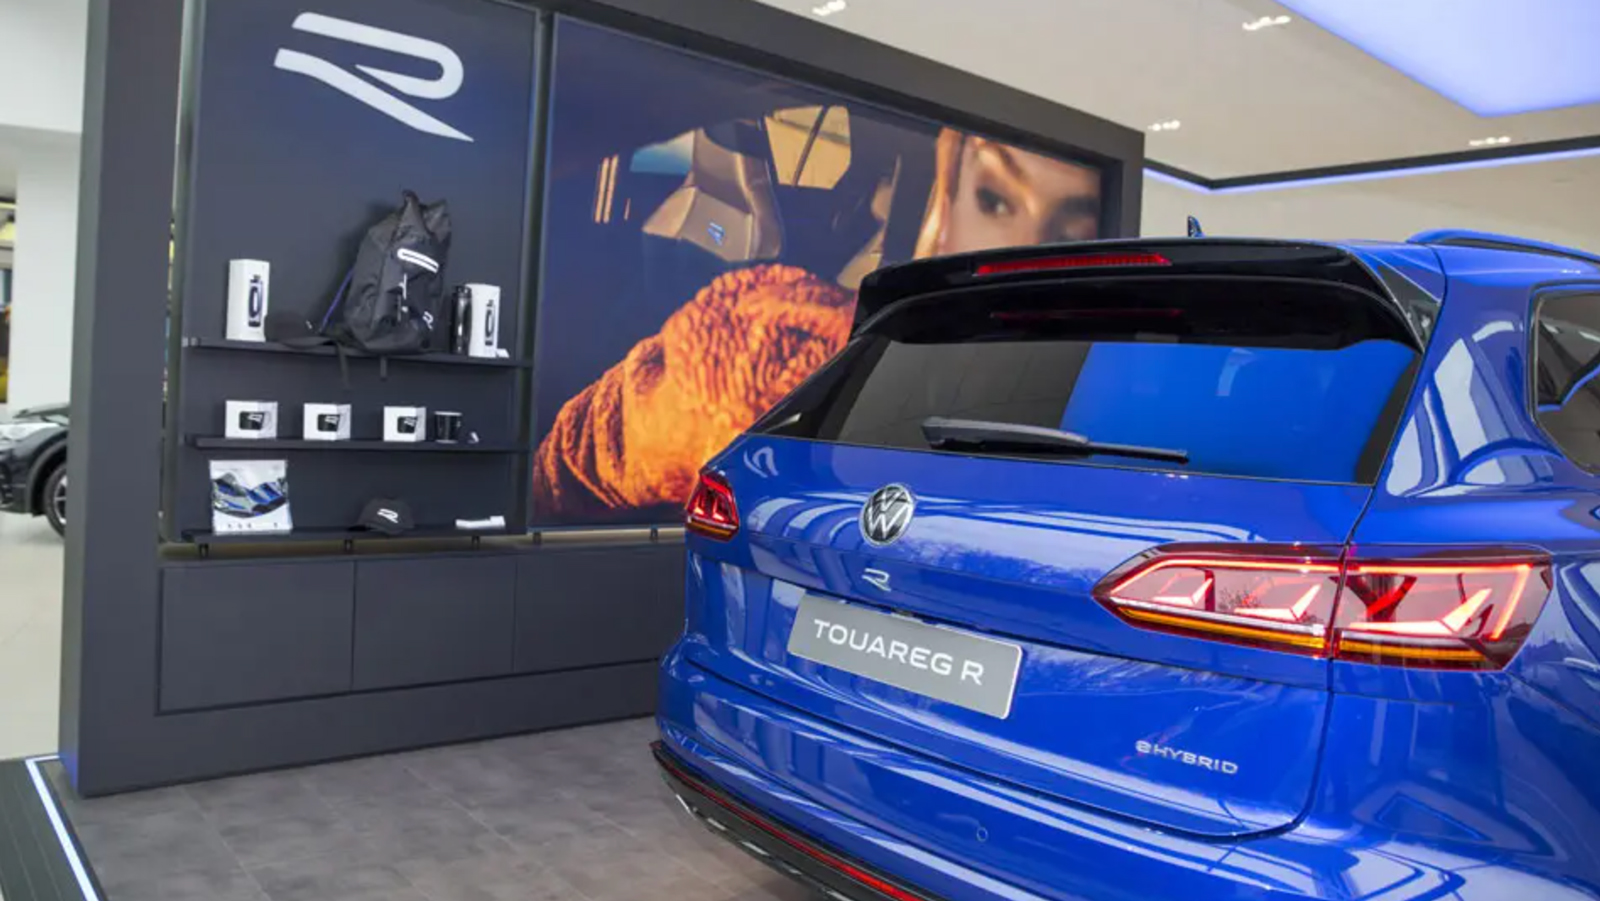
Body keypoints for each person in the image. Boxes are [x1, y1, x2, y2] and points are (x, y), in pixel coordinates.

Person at [532, 127, 1102, 521]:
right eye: (994, 199)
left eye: (1069, 237)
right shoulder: (761, 347)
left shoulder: (1086, 417)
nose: (1026, 250)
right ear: (944, 200)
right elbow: (571, 470)